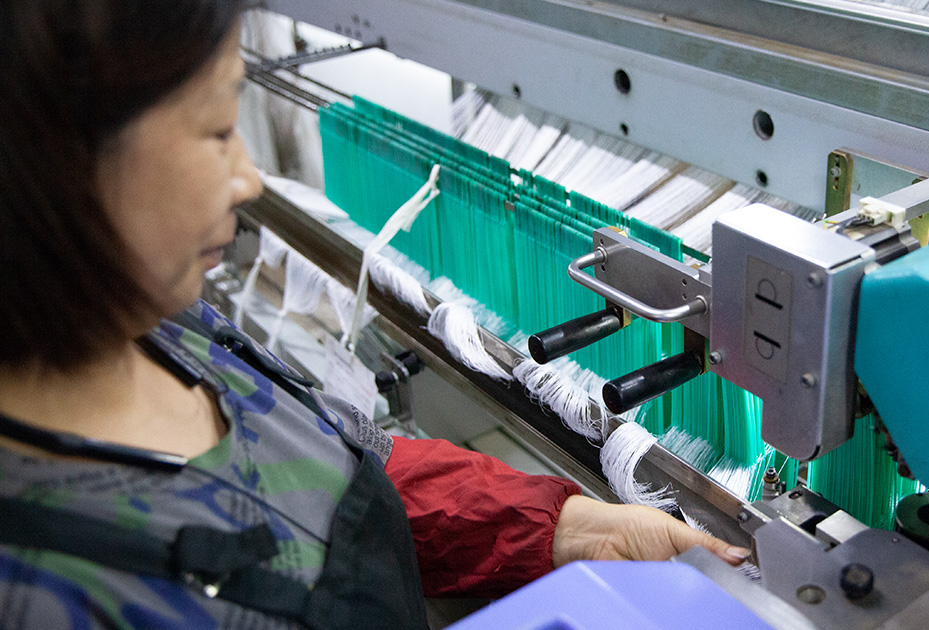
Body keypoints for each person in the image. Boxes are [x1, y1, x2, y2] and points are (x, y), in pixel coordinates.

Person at [0, 1, 749, 628]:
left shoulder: (163, 330)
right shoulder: (46, 591)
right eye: (218, 130)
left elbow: (340, 474)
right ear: (56, 160)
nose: (249, 178)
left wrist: (564, 528)